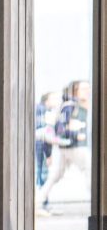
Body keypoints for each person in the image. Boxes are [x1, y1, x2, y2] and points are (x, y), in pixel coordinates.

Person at [39, 80, 91, 213]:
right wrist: (75, 135)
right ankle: (98, 204)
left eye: (88, 88)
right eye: (84, 89)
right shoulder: (70, 106)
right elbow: (61, 128)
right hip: (74, 146)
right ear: (75, 91)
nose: (88, 91)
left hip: (69, 147)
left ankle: (38, 201)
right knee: (90, 171)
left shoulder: (83, 105)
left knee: (55, 175)